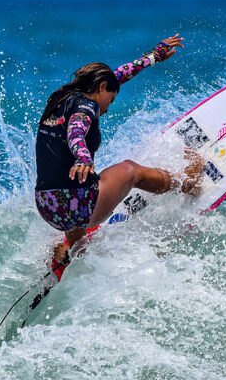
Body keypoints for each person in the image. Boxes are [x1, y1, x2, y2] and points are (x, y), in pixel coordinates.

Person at [34, 34, 201, 263]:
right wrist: (82, 157)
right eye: (110, 100)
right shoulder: (87, 105)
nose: (107, 109)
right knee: (131, 170)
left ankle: (72, 251)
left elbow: (116, 77)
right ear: (101, 88)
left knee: (77, 183)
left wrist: (152, 57)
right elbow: (76, 130)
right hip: (78, 207)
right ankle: (189, 184)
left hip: (48, 207)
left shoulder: (60, 99)